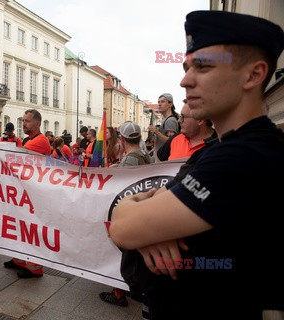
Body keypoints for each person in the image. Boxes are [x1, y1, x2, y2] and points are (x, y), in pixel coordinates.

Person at [110, 10, 284, 319]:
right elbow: (124, 221)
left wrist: (140, 222)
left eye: (202, 67)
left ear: (253, 75)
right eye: (187, 67)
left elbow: (121, 226)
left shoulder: (243, 156)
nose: (185, 80)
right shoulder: (221, 149)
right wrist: (146, 224)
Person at [100, 120, 151, 307]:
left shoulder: (130, 158)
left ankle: (119, 293)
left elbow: (123, 186)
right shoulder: (143, 154)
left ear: (121, 138)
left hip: (129, 212)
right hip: (141, 209)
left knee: (123, 254)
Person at [4, 109, 50, 278]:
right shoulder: (29, 139)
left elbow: (13, 156)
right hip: (25, 190)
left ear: (37, 124)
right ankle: (19, 260)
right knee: (20, 226)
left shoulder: (39, 141)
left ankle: (35, 267)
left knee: (31, 229)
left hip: (34, 193)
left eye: (27, 121)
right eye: (23, 120)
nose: (23, 123)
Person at [148, 93, 180, 158]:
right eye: (158, 102)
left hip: (165, 159)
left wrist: (157, 132)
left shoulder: (170, 120)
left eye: (162, 102)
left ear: (170, 104)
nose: (159, 104)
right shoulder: (166, 120)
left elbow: (171, 141)